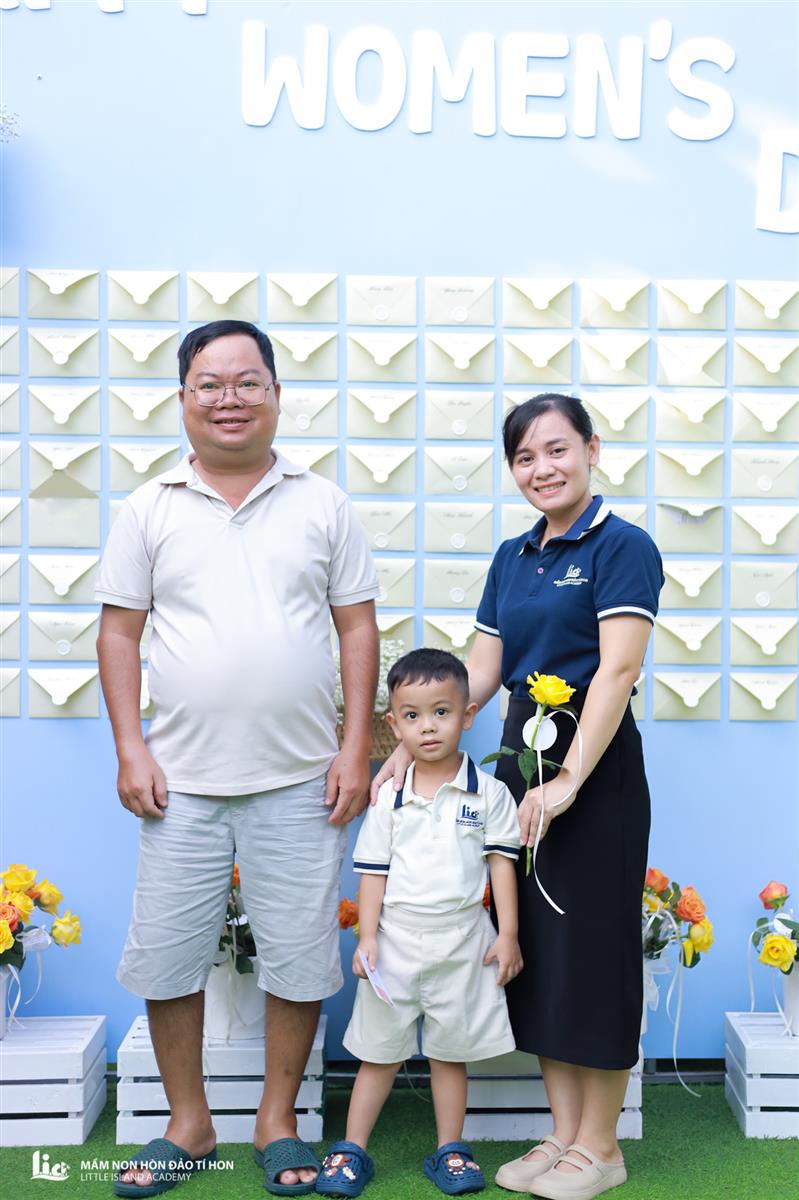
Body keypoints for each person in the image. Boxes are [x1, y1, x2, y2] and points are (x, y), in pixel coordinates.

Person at [96, 320, 379, 1197]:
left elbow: (356, 627)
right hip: (177, 782)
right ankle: (188, 1125)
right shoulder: (149, 506)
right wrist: (130, 747)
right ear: (183, 398)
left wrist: (355, 747)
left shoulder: (323, 503)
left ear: (276, 395)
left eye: (247, 382)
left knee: (299, 955)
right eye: (210, 384)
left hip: (302, 778)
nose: (229, 399)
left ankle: (277, 1120)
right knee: (166, 955)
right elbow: (119, 633)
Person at [373, 394, 663, 1200]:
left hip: (592, 771)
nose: (542, 468)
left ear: (591, 450)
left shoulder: (622, 546)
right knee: (539, 951)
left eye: (557, 449)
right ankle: (562, 1134)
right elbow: (482, 671)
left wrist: (569, 778)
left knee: (592, 951)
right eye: (524, 457)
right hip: (515, 768)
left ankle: (600, 1146)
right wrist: (406, 748)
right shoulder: (512, 556)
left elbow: (617, 669)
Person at [317, 649, 523, 1198]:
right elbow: (373, 873)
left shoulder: (490, 793)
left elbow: (501, 866)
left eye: (441, 712)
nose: (427, 726)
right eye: (412, 715)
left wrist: (507, 935)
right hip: (395, 943)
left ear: (468, 715)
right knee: (379, 1054)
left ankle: (450, 1150)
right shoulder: (389, 797)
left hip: (464, 941)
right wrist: (367, 938)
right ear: (394, 724)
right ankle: (352, 1149)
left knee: (449, 1054)